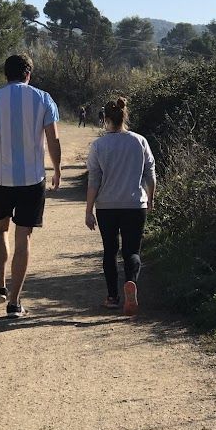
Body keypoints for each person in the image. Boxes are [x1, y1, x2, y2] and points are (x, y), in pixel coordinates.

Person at [0, 54, 61, 318]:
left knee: (1, 230)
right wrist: (57, 169)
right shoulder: (44, 98)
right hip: (33, 179)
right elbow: (53, 139)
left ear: (5, 74)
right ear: (28, 74)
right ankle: (15, 302)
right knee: (24, 237)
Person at [85, 97, 156, 315]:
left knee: (110, 251)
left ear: (105, 119)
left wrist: (88, 210)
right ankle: (131, 284)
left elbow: (94, 180)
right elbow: (150, 174)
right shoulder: (139, 141)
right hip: (135, 204)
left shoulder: (98, 145)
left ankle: (112, 297)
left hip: (106, 206)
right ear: (125, 117)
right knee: (132, 250)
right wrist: (151, 199)